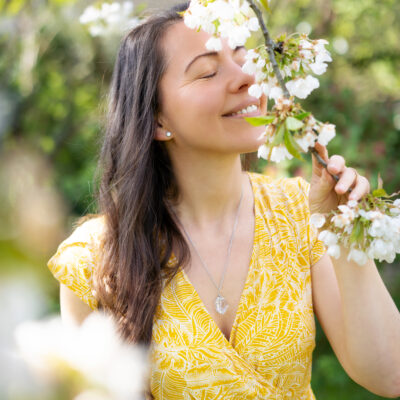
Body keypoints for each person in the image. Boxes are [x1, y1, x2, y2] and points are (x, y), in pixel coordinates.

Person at [47, 2, 400, 399]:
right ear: (158, 120)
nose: (246, 78)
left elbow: (389, 375)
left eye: (244, 58)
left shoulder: (301, 211)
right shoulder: (94, 258)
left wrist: (345, 237)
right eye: (208, 72)